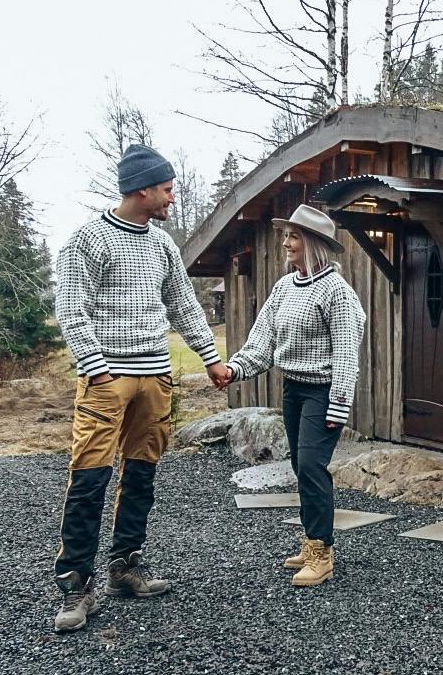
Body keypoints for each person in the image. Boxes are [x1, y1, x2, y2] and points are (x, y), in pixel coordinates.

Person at [51, 143, 229, 632]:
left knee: (142, 472)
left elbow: (184, 307)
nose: (173, 198)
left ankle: (124, 567)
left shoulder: (162, 243)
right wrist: (96, 366)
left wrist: (211, 359)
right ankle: (75, 586)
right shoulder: (88, 241)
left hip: (155, 377)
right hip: (107, 378)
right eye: (168, 190)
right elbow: (72, 309)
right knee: (89, 478)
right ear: (143, 189)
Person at [217, 204, 367, 587]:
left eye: (294, 235)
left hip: (322, 391)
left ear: (313, 242)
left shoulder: (337, 292)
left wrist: (339, 404)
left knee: (313, 467)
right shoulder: (284, 288)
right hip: (294, 389)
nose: (285, 242)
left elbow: (347, 353)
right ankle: (311, 539)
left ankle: (322, 552)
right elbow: (262, 341)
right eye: (285, 235)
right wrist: (234, 369)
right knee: (300, 466)